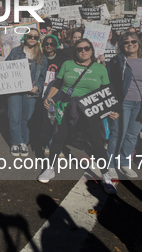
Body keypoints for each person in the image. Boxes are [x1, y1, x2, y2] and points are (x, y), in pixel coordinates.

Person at [39, 39, 119, 195]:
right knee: (58, 137)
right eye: (79, 49)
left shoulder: (100, 68)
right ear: (75, 51)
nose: (83, 51)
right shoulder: (67, 65)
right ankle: (49, 169)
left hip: (90, 110)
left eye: (87, 48)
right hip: (68, 107)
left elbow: (107, 91)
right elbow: (57, 83)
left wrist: (113, 110)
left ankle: (106, 175)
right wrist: (48, 98)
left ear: (92, 50)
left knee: (97, 142)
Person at [106, 32, 142, 178]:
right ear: (121, 45)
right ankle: (110, 164)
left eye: (133, 41)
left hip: (141, 104)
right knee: (117, 134)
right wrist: (111, 106)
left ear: (139, 43)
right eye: (126, 42)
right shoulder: (116, 61)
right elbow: (109, 84)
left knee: (132, 135)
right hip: (123, 103)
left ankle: (124, 162)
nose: (130, 44)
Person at [5, 28, 47, 156]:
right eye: (30, 36)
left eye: (35, 36)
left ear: (38, 39)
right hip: (15, 90)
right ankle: (15, 142)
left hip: (31, 91)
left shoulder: (41, 56)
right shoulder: (15, 52)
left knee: (27, 118)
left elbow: (42, 77)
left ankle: (24, 141)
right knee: (14, 116)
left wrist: (37, 87)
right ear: (25, 37)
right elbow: (5, 68)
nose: (32, 38)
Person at [40, 34, 68, 155]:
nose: (49, 46)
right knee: (43, 119)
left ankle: (53, 144)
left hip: (54, 93)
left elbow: (71, 48)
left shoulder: (62, 58)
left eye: (52, 44)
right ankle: (45, 141)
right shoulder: (40, 57)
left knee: (53, 117)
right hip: (40, 92)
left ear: (56, 45)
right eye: (46, 44)